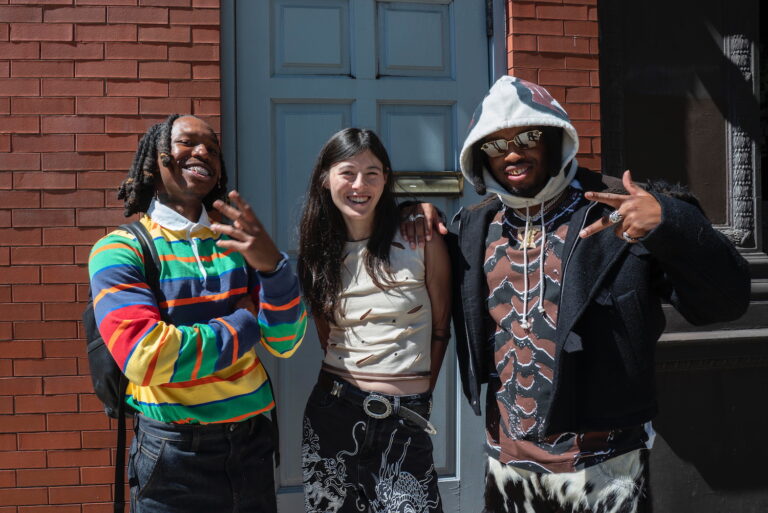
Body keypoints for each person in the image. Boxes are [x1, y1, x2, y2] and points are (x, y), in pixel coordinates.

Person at [408, 76, 751, 512]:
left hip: (606, 464)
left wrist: (671, 223)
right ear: (480, 155)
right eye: (495, 145)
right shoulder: (474, 226)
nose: (512, 153)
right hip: (508, 464)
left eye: (528, 137)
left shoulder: (618, 209)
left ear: (556, 139)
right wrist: (411, 211)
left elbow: (727, 300)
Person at [87, 114, 307, 513]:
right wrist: (244, 320)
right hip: (173, 455)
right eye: (188, 142)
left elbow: (287, 342)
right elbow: (147, 358)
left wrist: (274, 267)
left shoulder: (238, 241)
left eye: (214, 148)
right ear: (157, 160)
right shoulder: (120, 250)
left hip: (251, 444)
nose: (204, 152)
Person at [297, 128, 451, 513]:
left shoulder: (419, 237)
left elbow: (441, 327)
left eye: (372, 173)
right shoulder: (317, 252)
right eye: (347, 172)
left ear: (386, 179)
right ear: (326, 178)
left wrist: (417, 396)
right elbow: (326, 335)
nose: (359, 184)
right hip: (333, 412)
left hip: (405, 416)